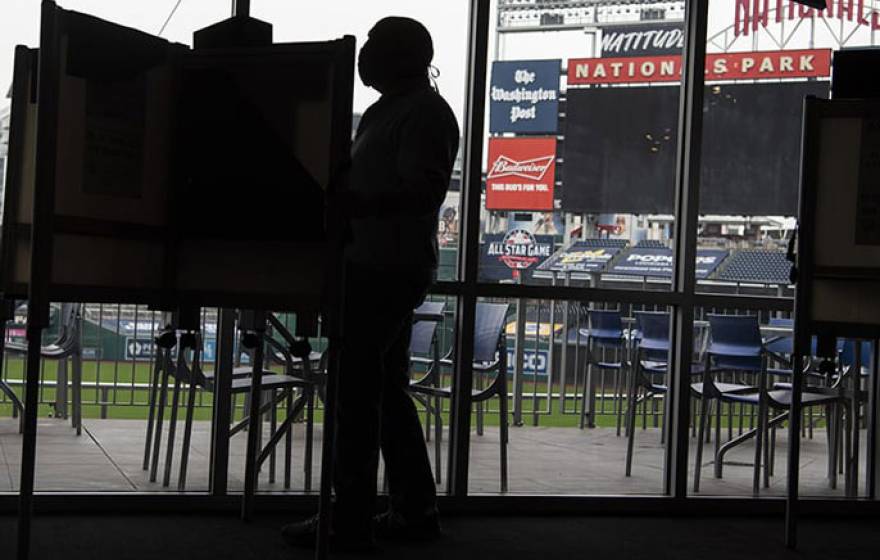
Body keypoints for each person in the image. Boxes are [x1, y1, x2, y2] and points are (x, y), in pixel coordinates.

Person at [282, 16, 460, 552]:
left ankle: (348, 517)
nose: (365, 57)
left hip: (386, 269)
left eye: (377, 47)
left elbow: (421, 195)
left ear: (406, 56)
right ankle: (412, 510)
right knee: (382, 392)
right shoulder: (388, 111)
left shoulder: (425, 114)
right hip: (376, 265)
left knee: (356, 395)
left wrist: (354, 204)